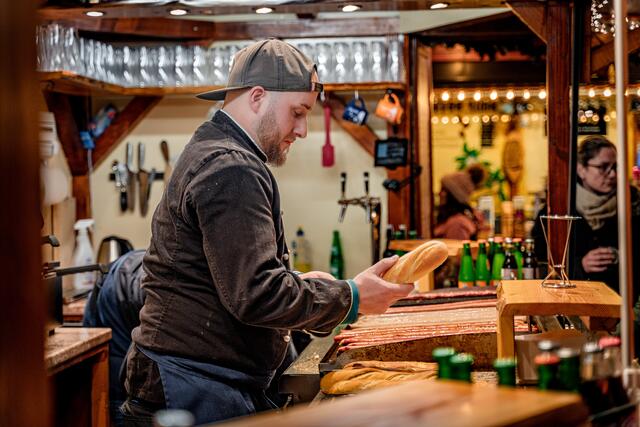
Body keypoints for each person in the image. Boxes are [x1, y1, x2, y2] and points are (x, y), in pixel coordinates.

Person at [120, 39, 413, 426]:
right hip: (191, 386)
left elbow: (229, 279)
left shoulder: (214, 148)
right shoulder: (231, 166)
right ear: (257, 97)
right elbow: (256, 295)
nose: (303, 130)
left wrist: (300, 284)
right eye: (297, 113)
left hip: (194, 379)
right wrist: (352, 297)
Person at [534, 136, 640, 299]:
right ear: (581, 169)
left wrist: (623, 258)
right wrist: (580, 265)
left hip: (623, 303)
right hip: (571, 302)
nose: (612, 174)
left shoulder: (632, 204)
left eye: (615, 167)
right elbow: (539, 264)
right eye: (603, 167)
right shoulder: (557, 209)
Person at [434, 164, 486, 240]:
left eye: (443, 190)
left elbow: (455, 247)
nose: (439, 193)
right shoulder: (457, 219)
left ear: (454, 197)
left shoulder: (456, 224)